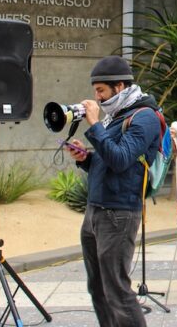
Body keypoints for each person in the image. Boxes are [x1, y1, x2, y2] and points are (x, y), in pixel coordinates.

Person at [65, 55, 161, 326]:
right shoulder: (116, 116)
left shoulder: (145, 118)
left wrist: (95, 126)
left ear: (119, 87)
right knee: (97, 288)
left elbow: (121, 159)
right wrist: (86, 158)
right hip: (96, 209)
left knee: (117, 290)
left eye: (101, 91)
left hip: (119, 214)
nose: (96, 97)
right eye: (95, 90)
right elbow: (107, 161)